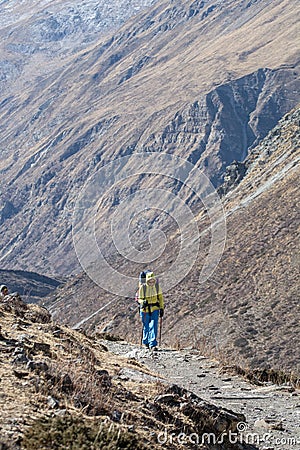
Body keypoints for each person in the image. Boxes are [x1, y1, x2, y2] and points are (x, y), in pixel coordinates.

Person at [138, 271, 164, 351]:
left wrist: (161, 308)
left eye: (153, 281)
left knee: (153, 325)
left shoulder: (157, 287)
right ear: (147, 280)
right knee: (146, 326)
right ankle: (145, 342)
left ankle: (152, 344)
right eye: (150, 281)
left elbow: (160, 298)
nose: (151, 282)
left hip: (155, 309)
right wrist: (143, 302)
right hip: (145, 309)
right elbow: (139, 299)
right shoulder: (143, 287)